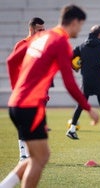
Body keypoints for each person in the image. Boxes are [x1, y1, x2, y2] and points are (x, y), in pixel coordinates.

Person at [0, 5, 99, 188]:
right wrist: (88, 108)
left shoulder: (41, 36)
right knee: (40, 159)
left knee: (38, 157)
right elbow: (69, 83)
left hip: (18, 103)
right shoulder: (61, 42)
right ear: (75, 22)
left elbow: (11, 61)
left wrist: (17, 89)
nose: (80, 29)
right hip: (29, 106)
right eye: (81, 25)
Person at [66, 25, 100, 140]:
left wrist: (75, 67)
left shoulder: (82, 46)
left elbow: (68, 57)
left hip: (86, 81)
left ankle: (72, 129)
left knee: (80, 105)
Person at [10, 17, 45, 161]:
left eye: (44, 29)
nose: (43, 32)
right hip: (24, 91)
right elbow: (14, 66)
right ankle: (23, 153)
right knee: (24, 122)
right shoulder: (21, 45)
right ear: (31, 29)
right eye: (40, 30)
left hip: (38, 90)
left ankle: (32, 152)